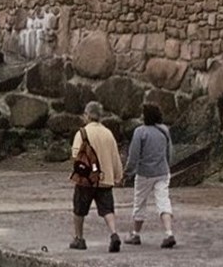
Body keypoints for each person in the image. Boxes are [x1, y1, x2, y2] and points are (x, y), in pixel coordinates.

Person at [70, 100, 125, 252]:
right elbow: (115, 156)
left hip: (86, 179)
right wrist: (118, 176)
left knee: (79, 210)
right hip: (105, 178)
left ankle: (79, 238)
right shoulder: (108, 133)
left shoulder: (82, 133)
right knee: (107, 209)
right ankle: (114, 233)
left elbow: (75, 155)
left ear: (87, 115)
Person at [129, 101, 177, 248]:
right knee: (163, 202)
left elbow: (134, 155)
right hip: (162, 171)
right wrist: (167, 166)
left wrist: (128, 171)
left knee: (139, 202)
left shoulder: (140, 132)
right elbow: (169, 152)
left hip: (144, 173)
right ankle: (169, 232)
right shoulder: (164, 130)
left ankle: (135, 234)